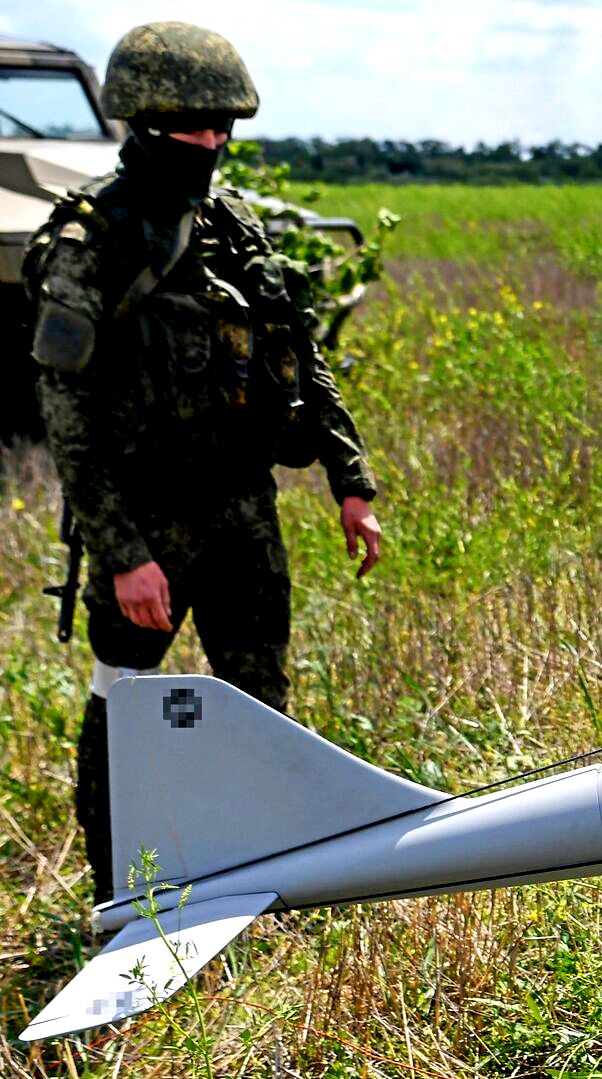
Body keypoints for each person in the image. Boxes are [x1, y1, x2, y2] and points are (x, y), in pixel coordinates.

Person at [23, 22, 382, 905]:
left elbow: (299, 352)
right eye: (196, 126)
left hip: (241, 512)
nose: (215, 143)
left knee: (260, 700)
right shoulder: (90, 243)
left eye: (225, 127)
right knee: (124, 705)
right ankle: (118, 894)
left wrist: (350, 479)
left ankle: (265, 878)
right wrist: (123, 553)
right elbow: (66, 419)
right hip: (146, 524)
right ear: (144, 124)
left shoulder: (236, 227)